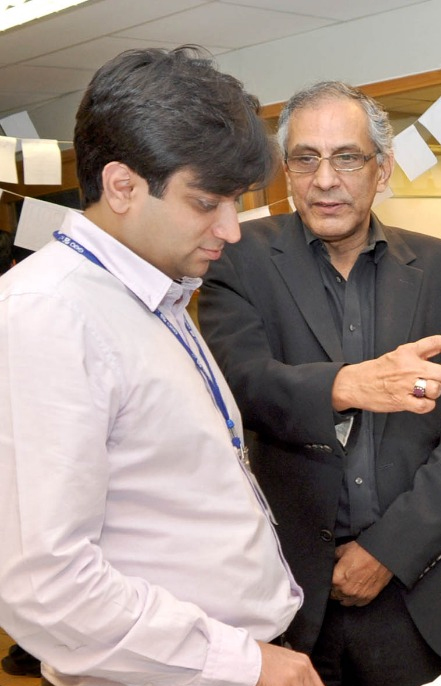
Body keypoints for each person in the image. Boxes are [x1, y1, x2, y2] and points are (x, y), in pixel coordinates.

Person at [0, 46, 317, 686]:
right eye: (207, 203)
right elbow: (45, 584)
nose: (231, 229)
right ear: (122, 186)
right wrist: (241, 663)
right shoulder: (49, 314)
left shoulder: (158, 289)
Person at [199, 81, 441, 686]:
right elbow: (241, 386)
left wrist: (388, 551)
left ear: (382, 169)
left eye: (347, 158)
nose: (325, 179)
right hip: (286, 594)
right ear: (286, 172)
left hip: (419, 587)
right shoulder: (238, 259)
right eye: (305, 159)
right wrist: (348, 386)